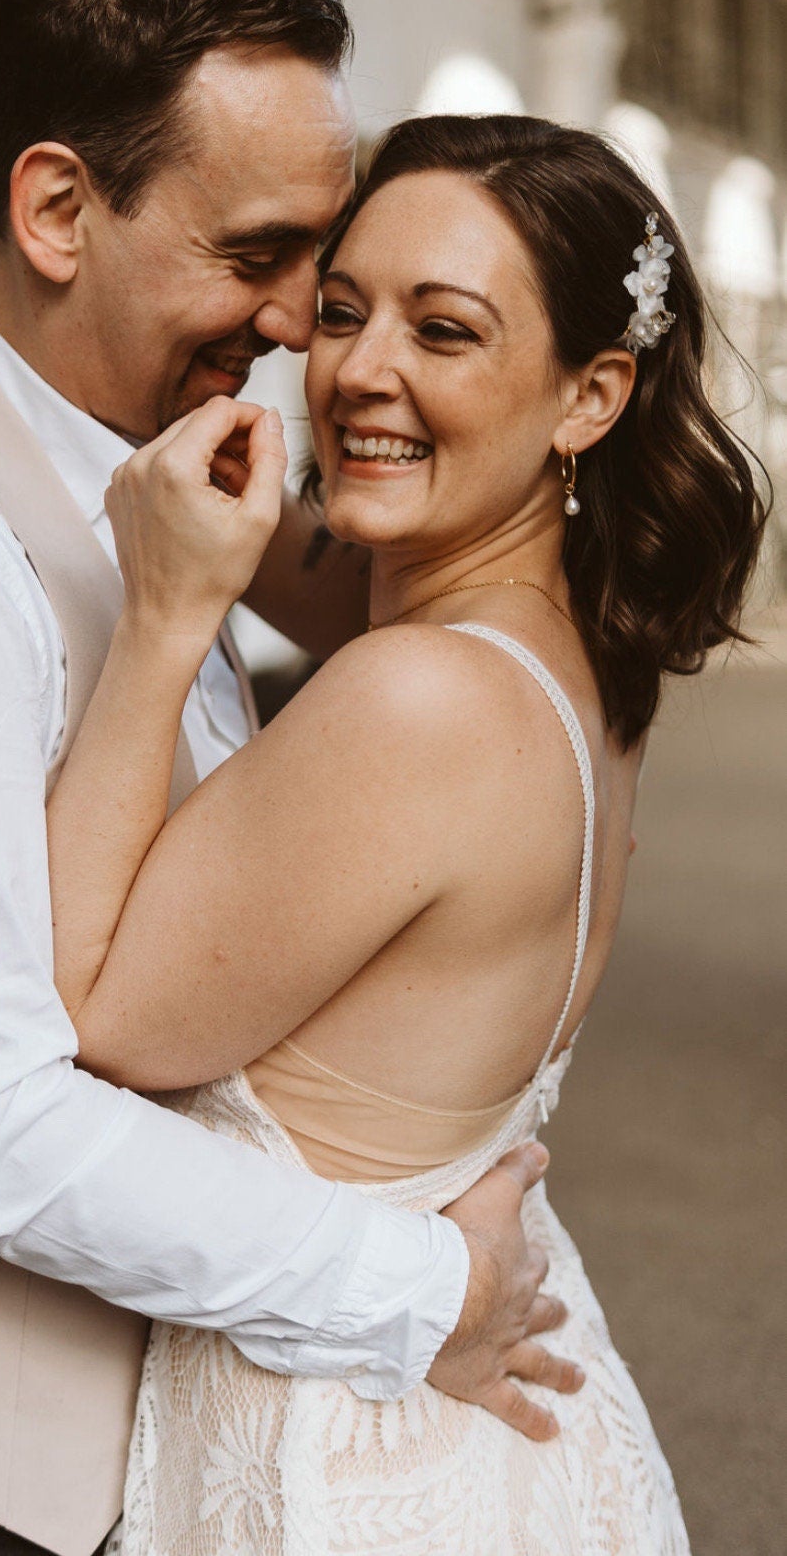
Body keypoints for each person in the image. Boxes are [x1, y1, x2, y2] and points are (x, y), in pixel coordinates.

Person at [0, 0, 578, 1556]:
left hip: (145, 1422)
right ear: (53, 209)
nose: (298, 326)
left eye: (322, 252)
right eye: (256, 258)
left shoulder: (163, 448)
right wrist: (413, 1287)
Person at [41, 113, 767, 1554]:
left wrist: (164, 621)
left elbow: (85, 1018)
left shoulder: (417, 699)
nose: (356, 370)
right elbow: (346, 559)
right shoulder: (586, 657)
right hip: (499, 1432)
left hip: (342, 1460)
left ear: (588, 395)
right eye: (337, 311)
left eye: (442, 331)